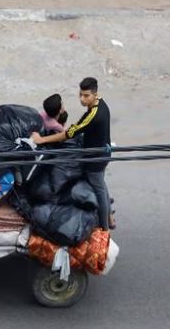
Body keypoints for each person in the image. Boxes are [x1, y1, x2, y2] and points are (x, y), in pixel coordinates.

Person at [31, 78, 114, 229]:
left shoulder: (93, 115)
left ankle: (105, 228)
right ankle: (110, 217)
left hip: (95, 159)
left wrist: (42, 140)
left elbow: (69, 133)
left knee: (99, 189)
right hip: (103, 150)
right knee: (101, 185)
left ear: (95, 94)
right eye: (80, 94)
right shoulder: (100, 102)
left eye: (86, 95)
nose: (82, 99)